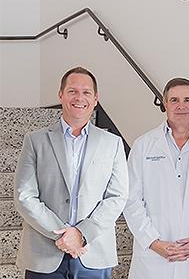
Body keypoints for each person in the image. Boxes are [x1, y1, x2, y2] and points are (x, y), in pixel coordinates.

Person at [14, 67, 129, 279]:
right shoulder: (35, 141)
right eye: (72, 91)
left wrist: (82, 234)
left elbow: (117, 196)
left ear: (95, 99)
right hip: (44, 254)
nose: (79, 97)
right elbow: (24, 195)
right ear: (61, 95)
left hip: (93, 252)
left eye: (86, 92)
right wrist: (63, 235)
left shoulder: (112, 143)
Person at [123, 77, 189, 279]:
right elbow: (131, 199)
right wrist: (153, 242)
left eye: (187, 100)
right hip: (153, 258)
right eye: (174, 100)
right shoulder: (143, 145)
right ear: (165, 104)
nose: (181, 106)